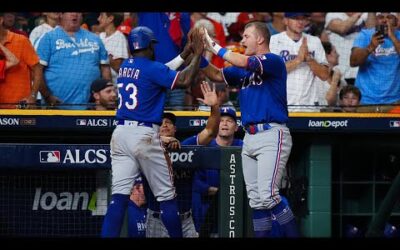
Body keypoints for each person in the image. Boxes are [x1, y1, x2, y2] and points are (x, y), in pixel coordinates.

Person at [100, 25, 205, 238]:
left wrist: (185, 53)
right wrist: (198, 56)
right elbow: (183, 80)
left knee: (118, 197)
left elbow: (159, 71)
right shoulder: (151, 69)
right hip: (144, 136)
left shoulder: (127, 66)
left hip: (120, 134)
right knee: (167, 198)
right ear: (148, 45)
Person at [201, 21, 300, 237]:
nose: (243, 40)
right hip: (250, 136)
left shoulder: (272, 60)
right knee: (256, 200)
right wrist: (197, 54)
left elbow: (243, 60)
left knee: (269, 196)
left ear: (260, 39)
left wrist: (213, 45)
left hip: (272, 133)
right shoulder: (244, 70)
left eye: (247, 36)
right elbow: (217, 75)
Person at [144, 83, 220, 238]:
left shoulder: (186, 146)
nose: (165, 124)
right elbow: (141, 143)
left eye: (169, 123)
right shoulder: (146, 146)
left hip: (185, 219)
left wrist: (215, 107)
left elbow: (210, 132)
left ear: (175, 129)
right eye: (161, 122)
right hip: (158, 219)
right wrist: (161, 140)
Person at [35, 12, 111, 110]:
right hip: (56, 106)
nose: (74, 15)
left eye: (78, 12)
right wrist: (47, 96)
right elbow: (37, 70)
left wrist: (107, 93)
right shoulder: (48, 38)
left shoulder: (95, 39)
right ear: (61, 15)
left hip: (90, 106)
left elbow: (105, 68)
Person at [189, 107, 242, 237]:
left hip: (234, 207)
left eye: (229, 121)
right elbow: (193, 180)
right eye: (220, 120)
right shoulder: (204, 146)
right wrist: (215, 191)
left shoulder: (243, 147)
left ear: (236, 127)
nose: (224, 123)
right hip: (207, 207)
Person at [270, 12, 329, 112]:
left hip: (309, 106)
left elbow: (325, 75)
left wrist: (309, 59)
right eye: (296, 18)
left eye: (303, 18)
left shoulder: (314, 41)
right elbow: (272, 72)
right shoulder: (274, 40)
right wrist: (298, 60)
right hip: (281, 105)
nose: (300, 22)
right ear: (285, 20)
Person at [350, 12, 400, 105]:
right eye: (381, 17)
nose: (385, 20)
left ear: (396, 22)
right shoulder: (365, 35)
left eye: (389, 17)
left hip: (394, 101)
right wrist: (370, 47)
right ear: (376, 20)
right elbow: (353, 62)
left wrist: (392, 37)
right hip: (365, 100)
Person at [0, 12, 41, 109]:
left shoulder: (21, 40)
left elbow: (37, 70)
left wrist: (33, 96)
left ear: (0, 20)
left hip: (20, 106)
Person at [97, 12, 129, 85]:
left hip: (114, 85)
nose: (98, 19)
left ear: (110, 19)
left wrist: (101, 55)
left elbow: (119, 66)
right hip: (99, 84)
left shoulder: (119, 37)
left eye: (101, 16)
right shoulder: (100, 36)